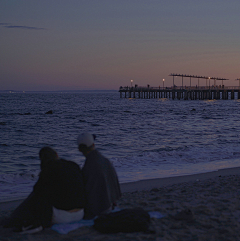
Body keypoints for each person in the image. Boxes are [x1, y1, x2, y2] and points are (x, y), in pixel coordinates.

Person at [4, 147, 85, 234]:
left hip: (61, 217)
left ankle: (32, 223)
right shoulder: (73, 165)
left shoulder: (48, 169)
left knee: (37, 196)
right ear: (57, 155)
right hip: (80, 214)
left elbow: (37, 192)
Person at [77, 133, 121, 220]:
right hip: (110, 203)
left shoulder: (89, 165)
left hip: (99, 209)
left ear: (79, 149)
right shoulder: (104, 161)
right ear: (93, 145)